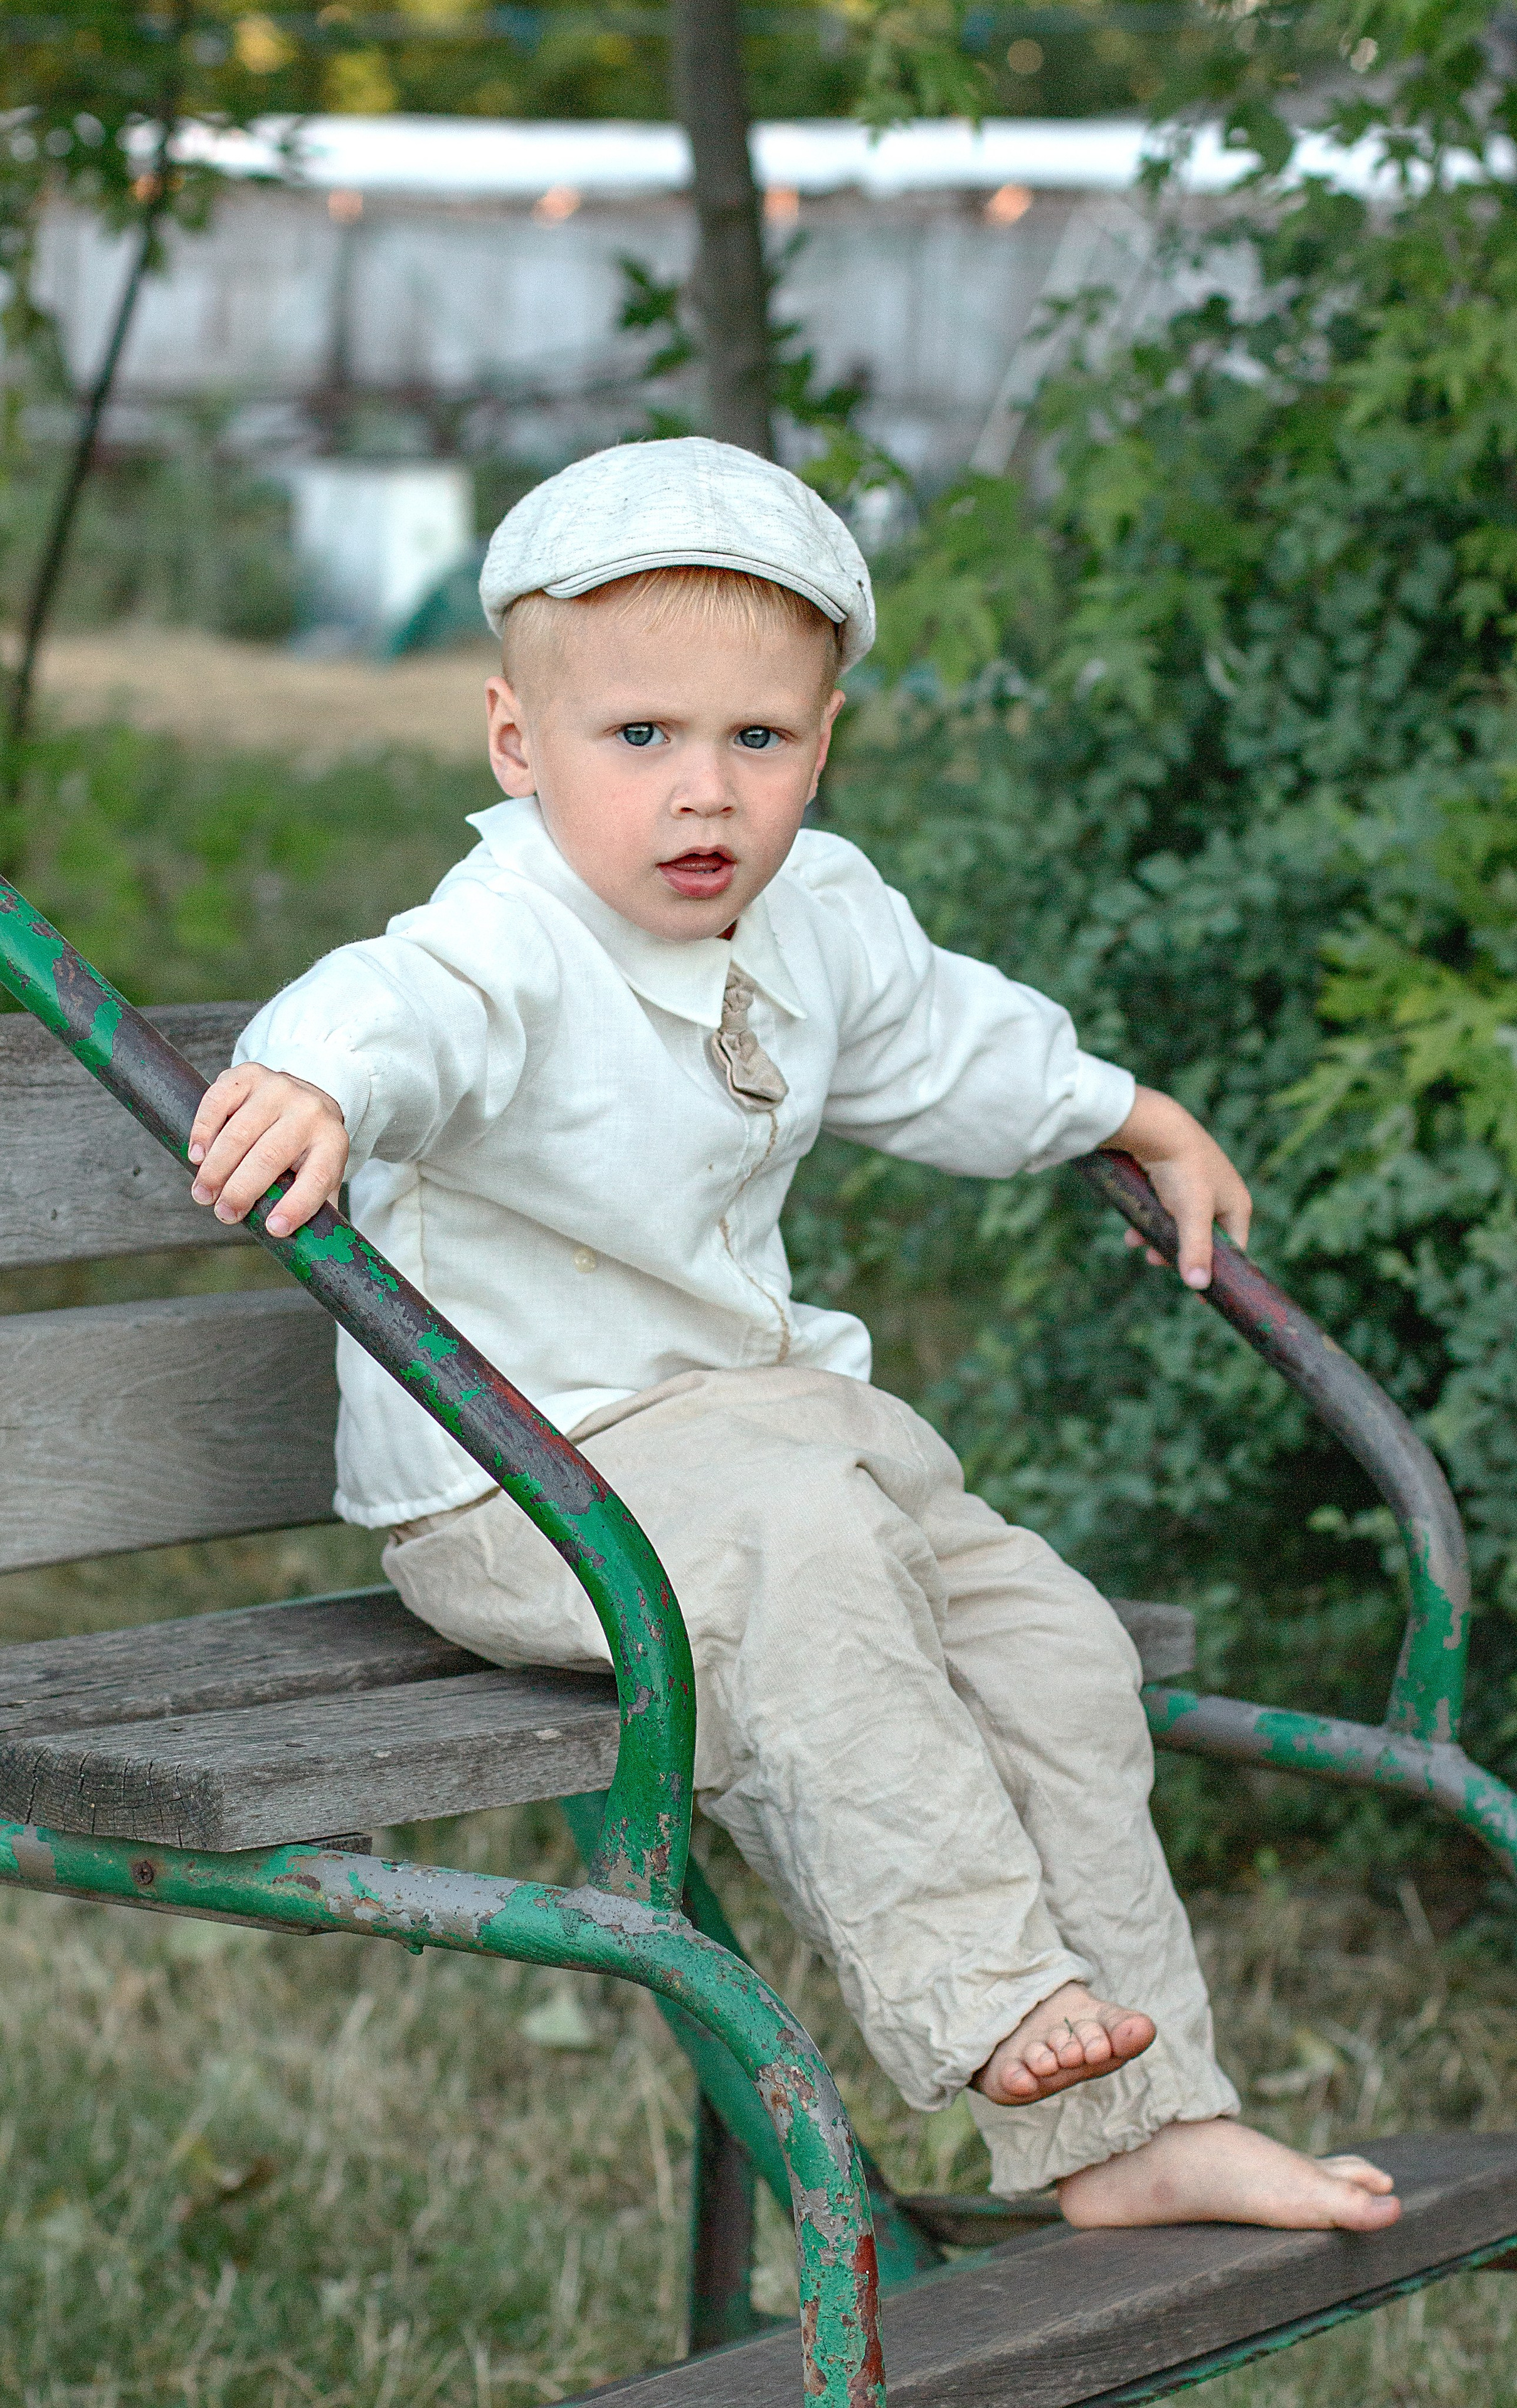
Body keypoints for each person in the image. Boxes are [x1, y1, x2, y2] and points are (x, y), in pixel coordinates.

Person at [187, 438, 1399, 2232]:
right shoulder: (507, 938)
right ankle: (986, 1997)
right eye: (640, 736)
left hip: (770, 1444)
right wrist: (315, 1078)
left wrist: (1124, 1109)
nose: (705, 793)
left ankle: (1137, 2129)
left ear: (822, 744)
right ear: (518, 743)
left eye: (757, 739)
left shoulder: (814, 913)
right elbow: (394, 1004)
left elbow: (945, 1043)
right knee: (817, 1568)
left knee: (1053, 1648)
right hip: (530, 1486)